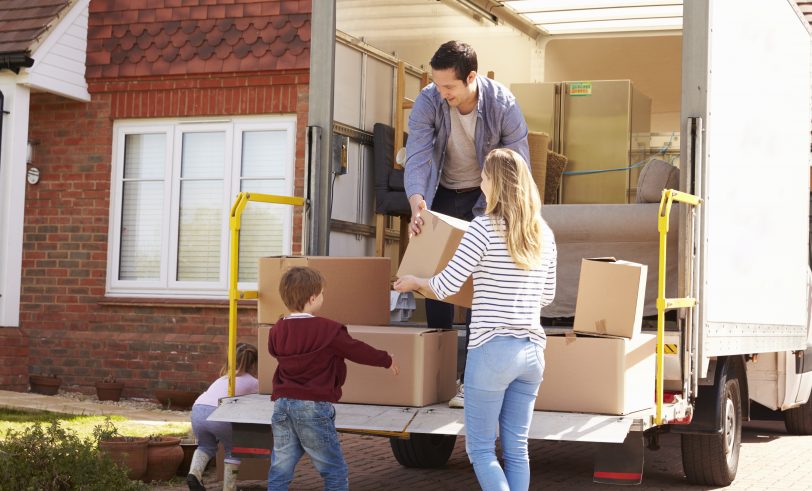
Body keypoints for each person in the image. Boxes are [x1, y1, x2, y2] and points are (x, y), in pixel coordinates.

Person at [395, 148, 556, 491]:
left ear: (495, 183)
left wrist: (414, 282)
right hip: (532, 353)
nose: (480, 182)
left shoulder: (482, 229)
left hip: (491, 351)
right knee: (516, 449)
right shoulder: (544, 233)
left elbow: (447, 284)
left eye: (483, 176)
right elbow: (548, 296)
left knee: (481, 450)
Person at [404, 40, 530, 407]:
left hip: (486, 195)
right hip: (440, 191)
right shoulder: (430, 100)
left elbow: (516, 164)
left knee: (480, 281)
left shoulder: (502, 104)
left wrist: (498, 215)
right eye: (437, 84)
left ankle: (472, 380)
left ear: (471, 78)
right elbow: (418, 155)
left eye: (449, 87)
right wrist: (417, 203)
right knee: (435, 274)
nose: (441, 93)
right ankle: (438, 374)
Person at [266, 266, 400, 491]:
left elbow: (273, 351)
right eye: (322, 294)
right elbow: (356, 350)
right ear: (312, 298)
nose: (323, 297)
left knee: (280, 469)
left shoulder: (277, 329)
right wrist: (386, 359)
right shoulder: (328, 330)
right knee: (334, 471)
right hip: (313, 407)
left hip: (282, 405)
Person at [186, 342, 259, 491]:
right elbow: (260, 402)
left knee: (205, 446)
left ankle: (194, 474)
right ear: (254, 364)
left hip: (198, 411)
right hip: (220, 414)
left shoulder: (223, 378)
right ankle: (229, 488)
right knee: (233, 450)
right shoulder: (253, 382)